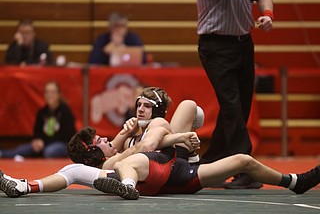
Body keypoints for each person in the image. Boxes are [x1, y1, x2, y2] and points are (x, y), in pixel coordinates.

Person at [1, 88, 319, 200]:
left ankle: (294, 182)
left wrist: (178, 138)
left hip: (174, 169)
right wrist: (130, 139)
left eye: (145, 104)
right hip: (160, 171)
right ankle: (127, 187)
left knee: (242, 160)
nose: (108, 139)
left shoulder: (145, 132)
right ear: (97, 154)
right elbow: (137, 152)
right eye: (102, 141)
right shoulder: (110, 162)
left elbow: (157, 139)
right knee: (129, 160)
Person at [195, 0, 296, 189]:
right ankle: (246, 170)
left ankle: (212, 164)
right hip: (216, 47)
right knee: (232, 105)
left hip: (243, 43)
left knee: (240, 106)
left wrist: (268, 14)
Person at [0, 81, 76, 158]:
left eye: (53, 92)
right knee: (22, 150)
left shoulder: (65, 111)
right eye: (47, 92)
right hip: (42, 144)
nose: (50, 95)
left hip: (61, 144)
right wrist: (37, 141)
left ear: (59, 94)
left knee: (50, 151)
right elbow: (37, 131)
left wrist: (44, 142)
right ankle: (2, 153)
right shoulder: (42, 112)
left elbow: (67, 135)